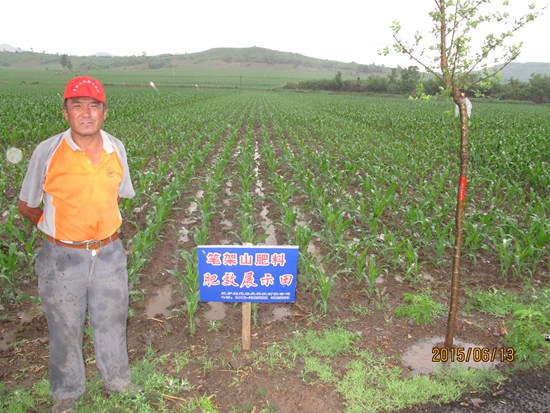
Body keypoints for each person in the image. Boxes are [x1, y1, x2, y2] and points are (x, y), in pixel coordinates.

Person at [18, 76, 137, 413]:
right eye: (77, 104)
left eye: (94, 105)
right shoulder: (48, 151)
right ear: (65, 111)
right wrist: (57, 232)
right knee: (65, 327)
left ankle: (119, 382)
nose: (86, 112)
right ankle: (67, 392)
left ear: (105, 112)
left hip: (110, 254)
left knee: (112, 320)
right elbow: (27, 205)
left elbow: (118, 196)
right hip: (61, 259)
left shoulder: (117, 148)